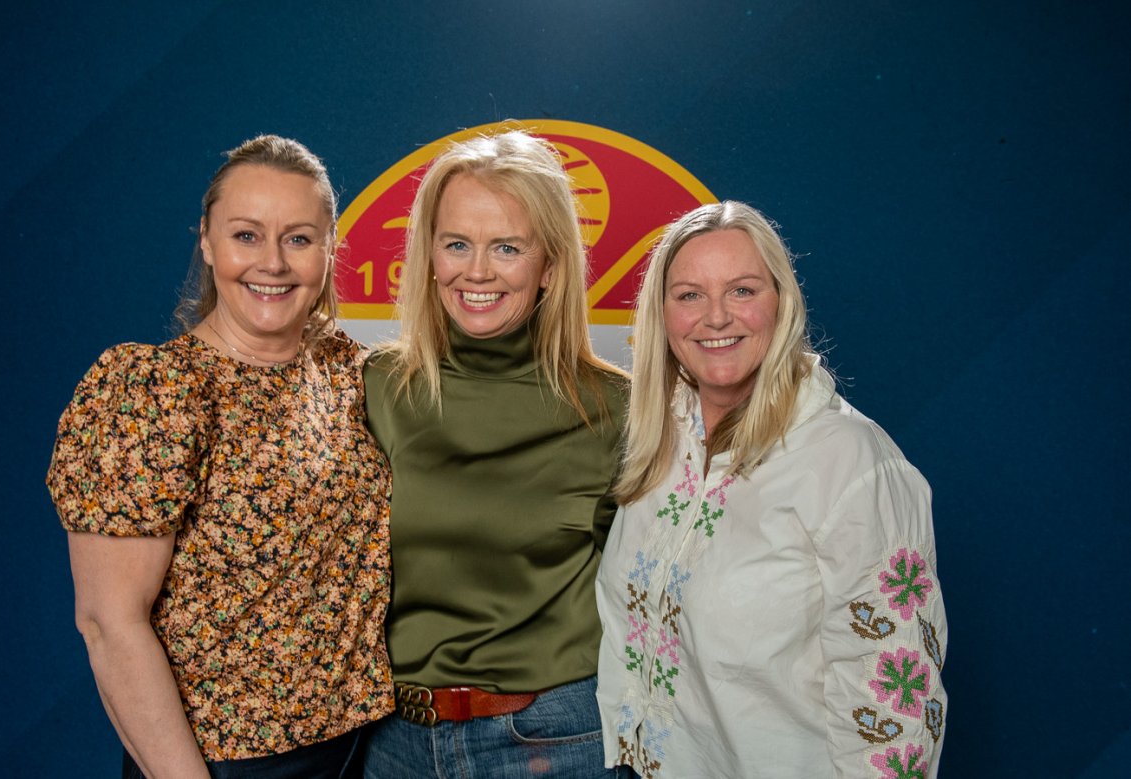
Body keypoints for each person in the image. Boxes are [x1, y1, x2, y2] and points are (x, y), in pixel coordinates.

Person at [47, 135, 393, 778]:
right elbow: (108, 622)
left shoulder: (345, 371)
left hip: (361, 750)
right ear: (207, 242)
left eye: (298, 238)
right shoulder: (154, 391)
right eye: (246, 236)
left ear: (329, 250)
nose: (273, 263)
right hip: (222, 763)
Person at [596, 201, 948, 778]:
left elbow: (896, 697)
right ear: (661, 313)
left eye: (742, 290)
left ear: (781, 302)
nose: (715, 317)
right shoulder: (661, 438)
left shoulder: (852, 464)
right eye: (689, 295)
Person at [359, 130, 631, 778]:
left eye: (507, 247)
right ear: (429, 255)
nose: (476, 271)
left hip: (554, 742)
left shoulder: (617, 409)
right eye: (457, 243)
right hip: (396, 743)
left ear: (551, 266)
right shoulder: (376, 388)